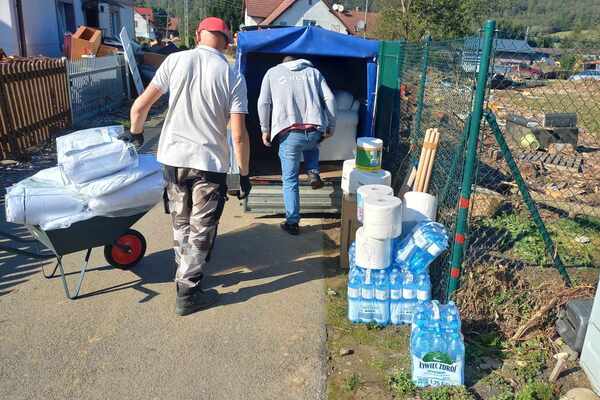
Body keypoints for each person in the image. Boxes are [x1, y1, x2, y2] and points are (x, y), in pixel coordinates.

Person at [126, 17, 252, 316]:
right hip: (208, 164)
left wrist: (135, 133)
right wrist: (243, 174)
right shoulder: (232, 74)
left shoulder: (175, 61)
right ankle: (188, 291)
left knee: (181, 222)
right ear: (227, 40)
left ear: (198, 35)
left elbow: (140, 107)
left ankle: (183, 276)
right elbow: (238, 134)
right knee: (201, 228)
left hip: (172, 159)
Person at [258, 56, 336, 235]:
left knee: (290, 180)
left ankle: (292, 223)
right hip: (314, 130)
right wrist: (331, 125)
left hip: (290, 134)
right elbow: (330, 99)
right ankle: (313, 171)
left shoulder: (272, 73)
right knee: (312, 144)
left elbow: (263, 102)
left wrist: (265, 129)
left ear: (283, 63)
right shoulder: (313, 72)